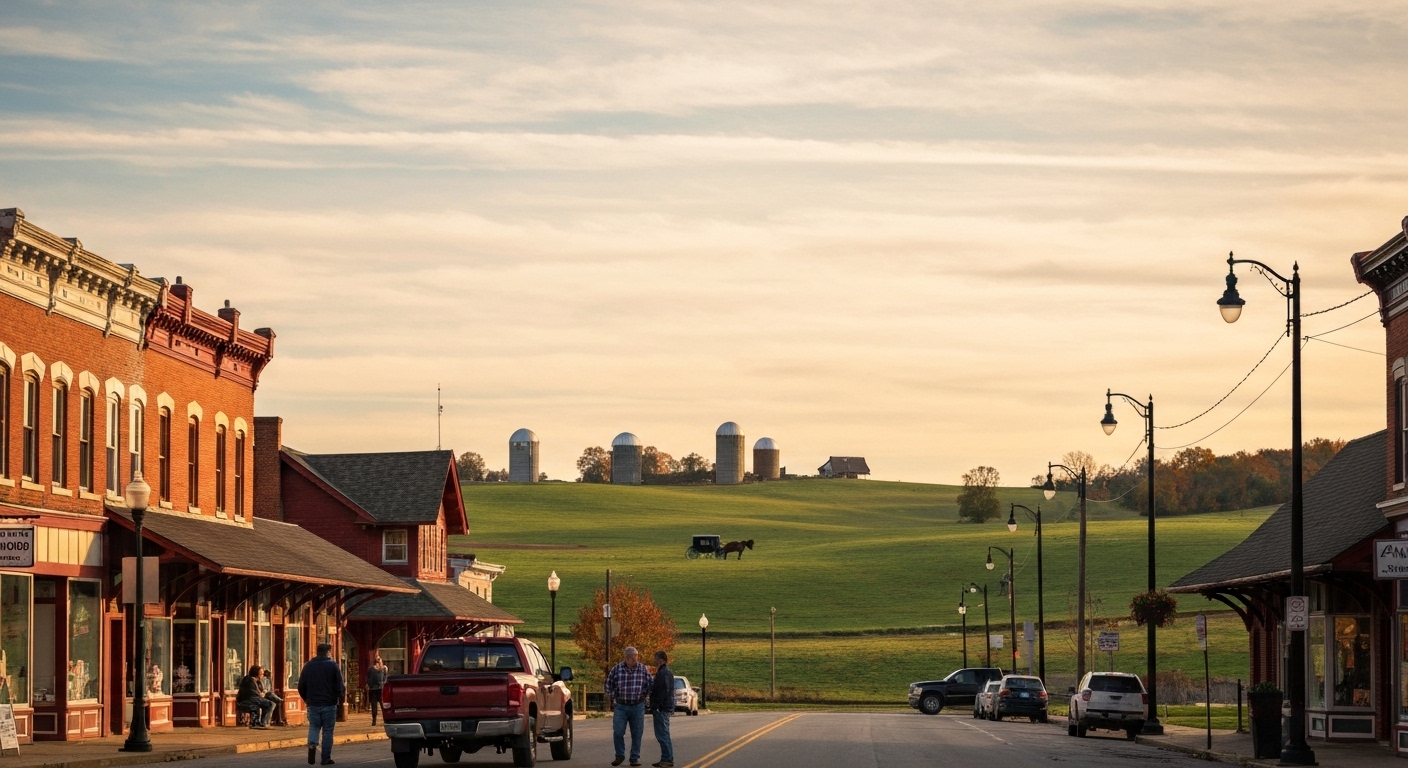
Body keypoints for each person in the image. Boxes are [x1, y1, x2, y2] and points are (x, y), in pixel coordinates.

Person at [298, 643, 345, 766]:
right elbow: (340, 686)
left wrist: (307, 699)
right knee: (328, 731)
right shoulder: (333, 666)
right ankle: (325, 758)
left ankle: (312, 744)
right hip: (329, 703)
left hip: (313, 703)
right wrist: (338, 698)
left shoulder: (308, 666)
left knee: (314, 726)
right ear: (328, 652)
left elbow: (301, 686)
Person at [605, 646, 652, 767]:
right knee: (618, 731)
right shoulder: (617, 669)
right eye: (632, 657)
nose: (635, 659)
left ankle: (634, 758)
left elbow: (651, 685)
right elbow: (608, 685)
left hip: (637, 705)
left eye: (636, 656)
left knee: (637, 733)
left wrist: (645, 696)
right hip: (621, 705)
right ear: (627, 658)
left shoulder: (643, 669)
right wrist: (614, 697)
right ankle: (619, 755)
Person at [649, 651, 675, 768]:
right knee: (664, 734)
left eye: (656, 658)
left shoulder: (663, 674)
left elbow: (663, 691)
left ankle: (667, 759)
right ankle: (666, 758)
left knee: (662, 734)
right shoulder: (665, 673)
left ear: (661, 660)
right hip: (665, 707)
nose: (655, 661)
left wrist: (657, 705)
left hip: (662, 708)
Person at [366, 656, 389, 726]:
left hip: (374, 689)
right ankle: (385, 719)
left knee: (375, 705)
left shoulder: (371, 669)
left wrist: (370, 685)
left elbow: (368, 679)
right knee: (382, 705)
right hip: (380, 689)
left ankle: (374, 720)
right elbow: (385, 678)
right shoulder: (383, 669)